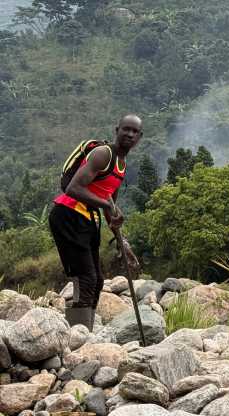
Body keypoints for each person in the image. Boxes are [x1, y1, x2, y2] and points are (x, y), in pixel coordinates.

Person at [50, 115, 143, 330]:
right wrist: (108, 206)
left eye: (134, 131)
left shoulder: (121, 164)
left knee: (97, 280)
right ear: (117, 130)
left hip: (88, 219)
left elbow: (110, 205)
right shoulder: (103, 154)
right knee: (86, 278)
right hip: (68, 215)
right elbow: (73, 188)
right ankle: (77, 336)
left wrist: (123, 242)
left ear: (139, 137)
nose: (129, 134)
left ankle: (84, 332)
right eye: (125, 129)